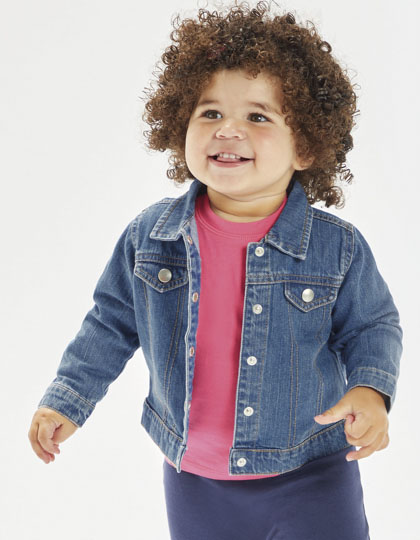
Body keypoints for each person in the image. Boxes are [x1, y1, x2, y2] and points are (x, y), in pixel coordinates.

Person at [28, 2, 403, 538]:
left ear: (305, 146)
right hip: (194, 477)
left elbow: (372, 326)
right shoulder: (151, 236)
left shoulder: (335, 246)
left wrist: (370, 390)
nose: (228, 130)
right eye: (209, 114)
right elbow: (110, 323)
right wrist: (67, 399)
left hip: (312, 470)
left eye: (257, 116)